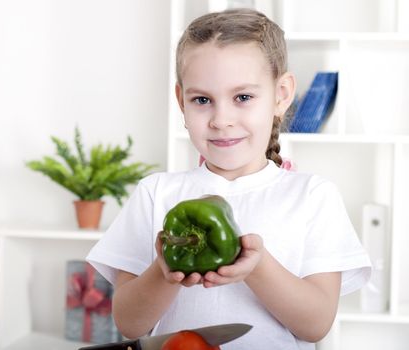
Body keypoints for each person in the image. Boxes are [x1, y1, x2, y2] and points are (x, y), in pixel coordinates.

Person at [86, 8, 371, 349]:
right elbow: (129, 323)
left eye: (243, 97)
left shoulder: (312, 195)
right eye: (202, 99)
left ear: (281, 95)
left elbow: (315, 324)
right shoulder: (156, 192)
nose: (221, 119)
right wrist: (164, 272)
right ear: (181, 101)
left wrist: (258, 266)